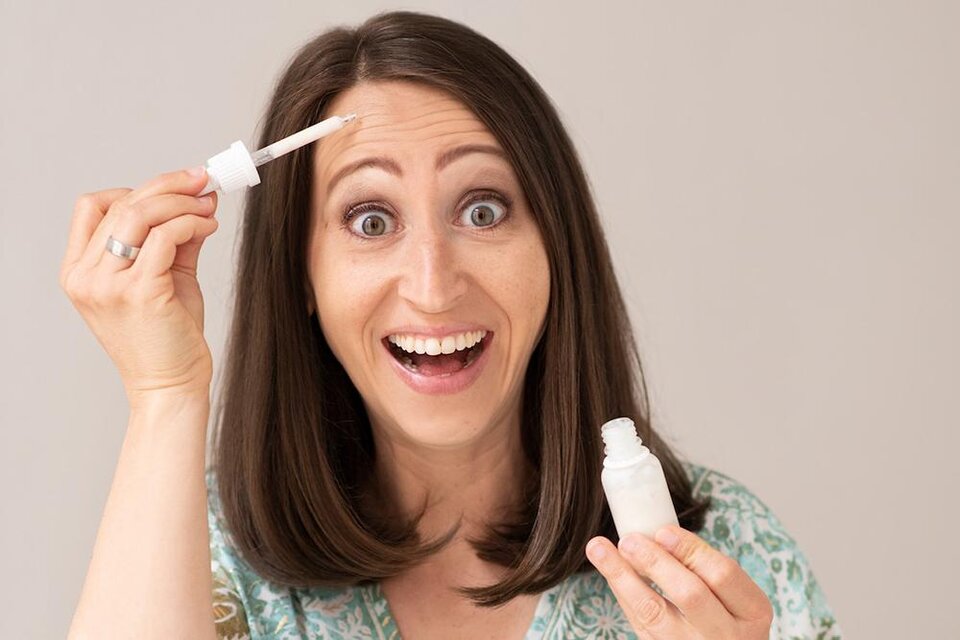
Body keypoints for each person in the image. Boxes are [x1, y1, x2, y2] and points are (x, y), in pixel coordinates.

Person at [62, 10, 843, 640]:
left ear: (555, 249)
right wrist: (165, 391)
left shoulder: (727, 550)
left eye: (483, 209)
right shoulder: (205, 561)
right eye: (371, 220)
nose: (434, 289)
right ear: (300, 273)